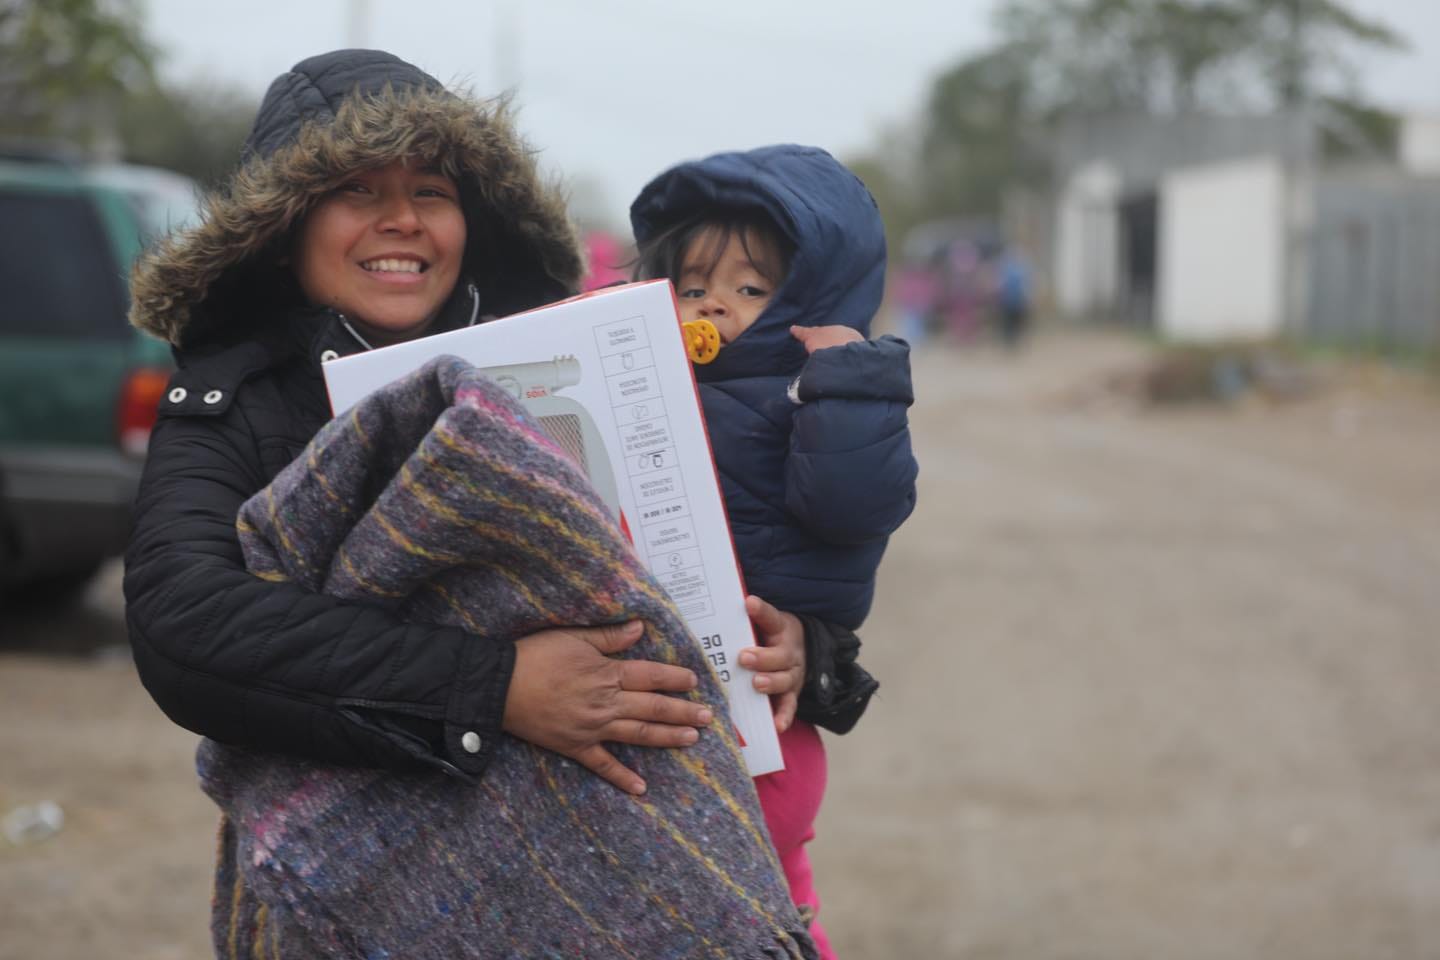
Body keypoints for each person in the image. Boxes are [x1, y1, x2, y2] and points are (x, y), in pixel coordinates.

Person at [123, 50, 835, 957]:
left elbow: (740, 537)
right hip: (361, 885)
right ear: (283, 223)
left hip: (613, 876)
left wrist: (805, 646)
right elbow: (186, 626)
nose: (401, 222)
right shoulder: (232, 408)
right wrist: (496, 688)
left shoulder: (578, 362)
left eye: (431, 190)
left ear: (475, 214)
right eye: (355, 191)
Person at [631, 144, 919, 958]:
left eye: (751, 288)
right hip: (655, 705)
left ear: (814, 295)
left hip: (764, 729)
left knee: (762, 905)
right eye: (693, 286)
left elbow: (853, 505)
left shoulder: (817, 394)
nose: (714, 305)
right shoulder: (650, 380)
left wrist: (849, 383)